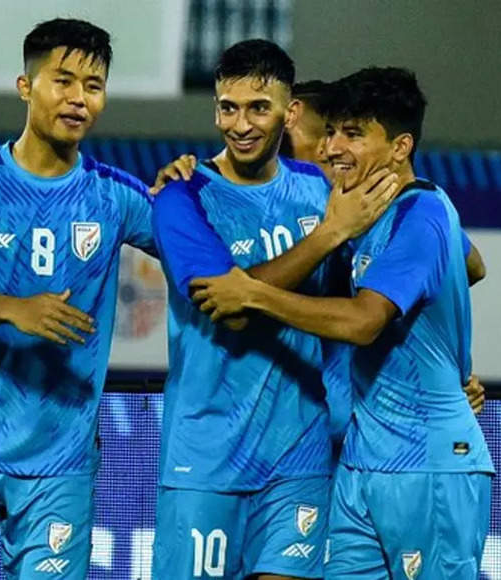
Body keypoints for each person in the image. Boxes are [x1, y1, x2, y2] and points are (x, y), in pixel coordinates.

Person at [192, 67, 494, 579]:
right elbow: (472, 266)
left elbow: (364, 322)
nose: (333, 147)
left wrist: (255, 294)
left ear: (400, 147)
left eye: (352, 134)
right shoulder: (365, 219)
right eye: (331, 132)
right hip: (361, 462)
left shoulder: (421, 212)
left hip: (426, 461)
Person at [0, 18, 154, 578]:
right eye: (63, 81)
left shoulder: (117, 196)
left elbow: (208, 266)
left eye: (93, 86)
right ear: (25, 86)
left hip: (59, 464)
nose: (79, 99)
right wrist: (15, 308)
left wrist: (189, 188)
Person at [149, 39, 399, 580]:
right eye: (228, 108)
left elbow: (424, 266)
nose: (241, 124)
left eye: (258, 108)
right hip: (206, 459)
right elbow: (229, 307)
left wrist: (452, 373)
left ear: (290, 113)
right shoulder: (181, 195)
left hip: (300, 459)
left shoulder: (320, 187)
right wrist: (330, 233)